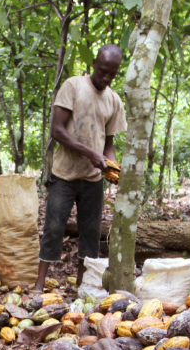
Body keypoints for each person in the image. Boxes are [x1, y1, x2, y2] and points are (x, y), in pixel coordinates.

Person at [34, 44, 127, 294]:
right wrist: (91, 153)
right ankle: (39, 284)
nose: (106, 77)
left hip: (92, 179)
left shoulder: (114, 101)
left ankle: (81, 286)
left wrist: (112, 168)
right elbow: (57, 130)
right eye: (103, 71)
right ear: (94, 63)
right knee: (53, 228)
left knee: (90, 234)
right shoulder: (74, 86)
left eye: (112, 74)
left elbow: (108, 145)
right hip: (64, 174)